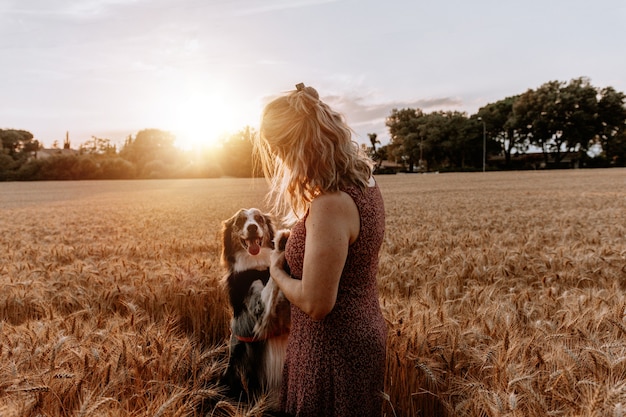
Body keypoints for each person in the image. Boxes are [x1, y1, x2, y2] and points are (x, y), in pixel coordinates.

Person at [254, 82, 387, 417]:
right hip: (359, 333)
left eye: (278, 151)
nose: (279, 161)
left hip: (331, 350)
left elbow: (317, 303)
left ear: (294, 147)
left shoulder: (330, 205)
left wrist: (276, 271)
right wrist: (301, 238)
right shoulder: (363, 184)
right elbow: (342, 250)